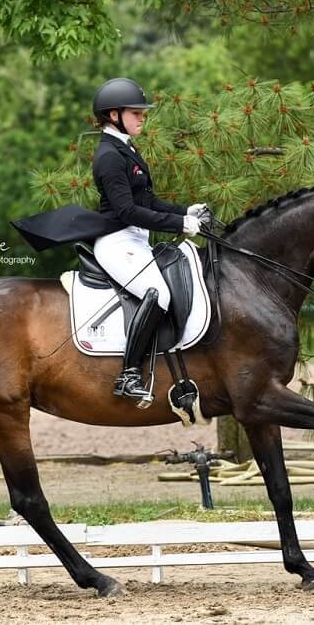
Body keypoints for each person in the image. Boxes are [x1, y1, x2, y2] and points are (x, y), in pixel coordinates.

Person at [90, 78, 207, 400]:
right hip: (117, 241)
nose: (143, 117)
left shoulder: (124, 148)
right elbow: (127, 210)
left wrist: (187, 212)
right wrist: (179, 224)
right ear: (114, 115)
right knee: (158, 294)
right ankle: (128, 375)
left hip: (135, 240)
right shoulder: (110, 156)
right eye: (136, 112)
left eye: (143, 112)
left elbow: (147, 201)